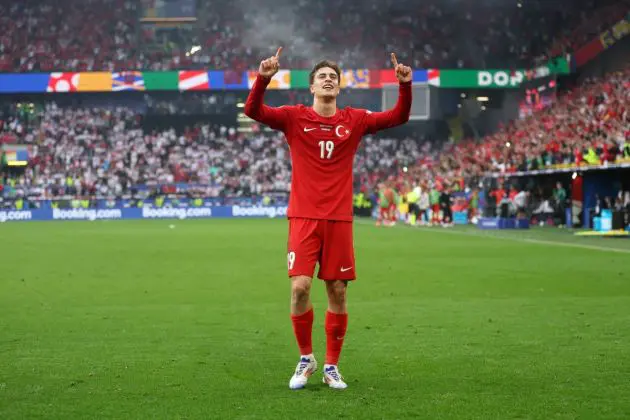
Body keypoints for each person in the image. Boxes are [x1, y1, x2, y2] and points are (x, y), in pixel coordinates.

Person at [244, 47, 412, 390]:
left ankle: (332, 366)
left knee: (337, 290)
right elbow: (253, 111)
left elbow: (398, 116)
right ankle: (306, 358)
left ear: (339, 87)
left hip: (338, 220)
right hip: (303, 217)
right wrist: (263, 79)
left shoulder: (355, 120)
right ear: (312, 87)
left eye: (333, 77)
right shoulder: (294, 117)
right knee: (300, 287)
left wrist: (405, 85)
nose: (328, 79)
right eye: (322, 76)